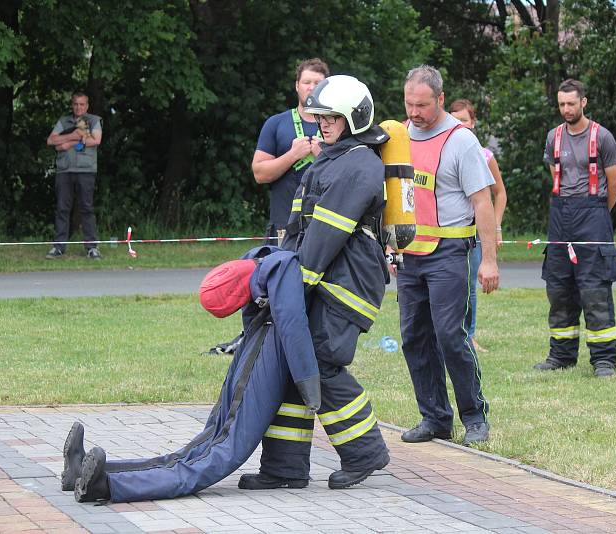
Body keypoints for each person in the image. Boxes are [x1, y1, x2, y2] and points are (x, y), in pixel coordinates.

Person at [67, 246, 321, 502]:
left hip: (259, 349)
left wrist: (308, 385)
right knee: (207, 447)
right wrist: (308, 383)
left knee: (215, 449)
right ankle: (91, 477)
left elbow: (292, 325)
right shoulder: (270, 267)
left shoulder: (272, 263)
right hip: (259, 347)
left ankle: (106, 482)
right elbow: (285, 323)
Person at [239, 75, 391, 491]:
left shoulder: (360, 164)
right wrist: (279, 274)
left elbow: (326, 235)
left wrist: (294, 284)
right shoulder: (329, 159)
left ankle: (366, 451)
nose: (322, 124)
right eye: (320, 116)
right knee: (294, 361)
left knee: (322, 362)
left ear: (354, 119)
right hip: (318, 279)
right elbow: (297, 227)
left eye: (331, 118)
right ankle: (284, 468)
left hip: (346, 286)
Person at [397, 66, 500, 448]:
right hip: (410, 255)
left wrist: (488, 260)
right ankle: (435, 418)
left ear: (440, 100)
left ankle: (474, 417)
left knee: (449, 336)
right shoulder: (398, 137)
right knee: (413, 337)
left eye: (422, 105)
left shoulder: (462, 141)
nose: (414, 113)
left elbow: (482, 201)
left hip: (450, 253)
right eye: (409, 104)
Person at [534, 79, 616, 378]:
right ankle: (561, 355)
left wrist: (598, 214)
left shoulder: (603, 137)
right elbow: (555, 176)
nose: (566, 109)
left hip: (593, 216)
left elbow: (615, 183)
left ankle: (604, 360)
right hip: (561, 216)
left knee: (594, 289)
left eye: (571, 103)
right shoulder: (553, 137)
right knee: (558, 288)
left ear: (584, 102)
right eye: (561, 104)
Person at [449, 98, 508, 353]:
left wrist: (495, 227)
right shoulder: (444, 149)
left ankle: (469, 336)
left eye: (464, 119)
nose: (459, 124)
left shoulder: (484, 155)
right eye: (455, 119)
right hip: (448, 232)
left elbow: (500, 193)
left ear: (472, 123)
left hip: (473, 233)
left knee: (470, 285)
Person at [253, 58, 329, 245]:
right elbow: (259, 174)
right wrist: (292, 155)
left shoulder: (339, 125)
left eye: (317, 84)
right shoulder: (276, 123)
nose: (311, 88)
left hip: (327, 227)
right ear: (297, 86)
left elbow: (352, 175)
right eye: (306, 82)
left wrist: (325, 157)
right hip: (283, 226)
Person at [45, 91, 103, 259]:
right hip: (65, 170)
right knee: (62, 208)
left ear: (87, 105)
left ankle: (92, 248)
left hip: (86, 171)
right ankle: (59, 247)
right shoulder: (64, 121)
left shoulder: (93, 121)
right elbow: (51, 141)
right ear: (72, 105)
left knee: (87, 208)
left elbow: (96, 140)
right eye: (76, 104)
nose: (79, 107)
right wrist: (73, 137)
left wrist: (66, 142)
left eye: (82, 104)